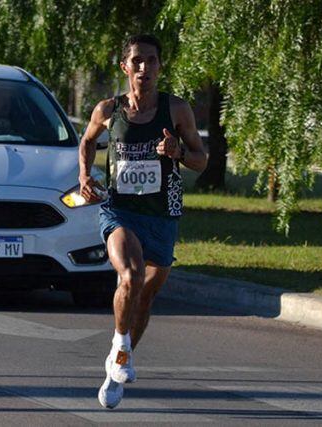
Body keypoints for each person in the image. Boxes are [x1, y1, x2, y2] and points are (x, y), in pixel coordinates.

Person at [78, 34, 208, 409]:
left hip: (162, 215)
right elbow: (87, 142)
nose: (144, 68)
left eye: (151, 61)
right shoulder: (108, 109)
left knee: (145, 296)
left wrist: (178, 152)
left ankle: (116, 366)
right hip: (119, 212)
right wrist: (85, 176)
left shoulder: (177, 110)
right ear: (125, 67)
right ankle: (120, 345)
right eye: (136, 61)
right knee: (130, 276)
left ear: (159, 66)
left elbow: (201, 160)